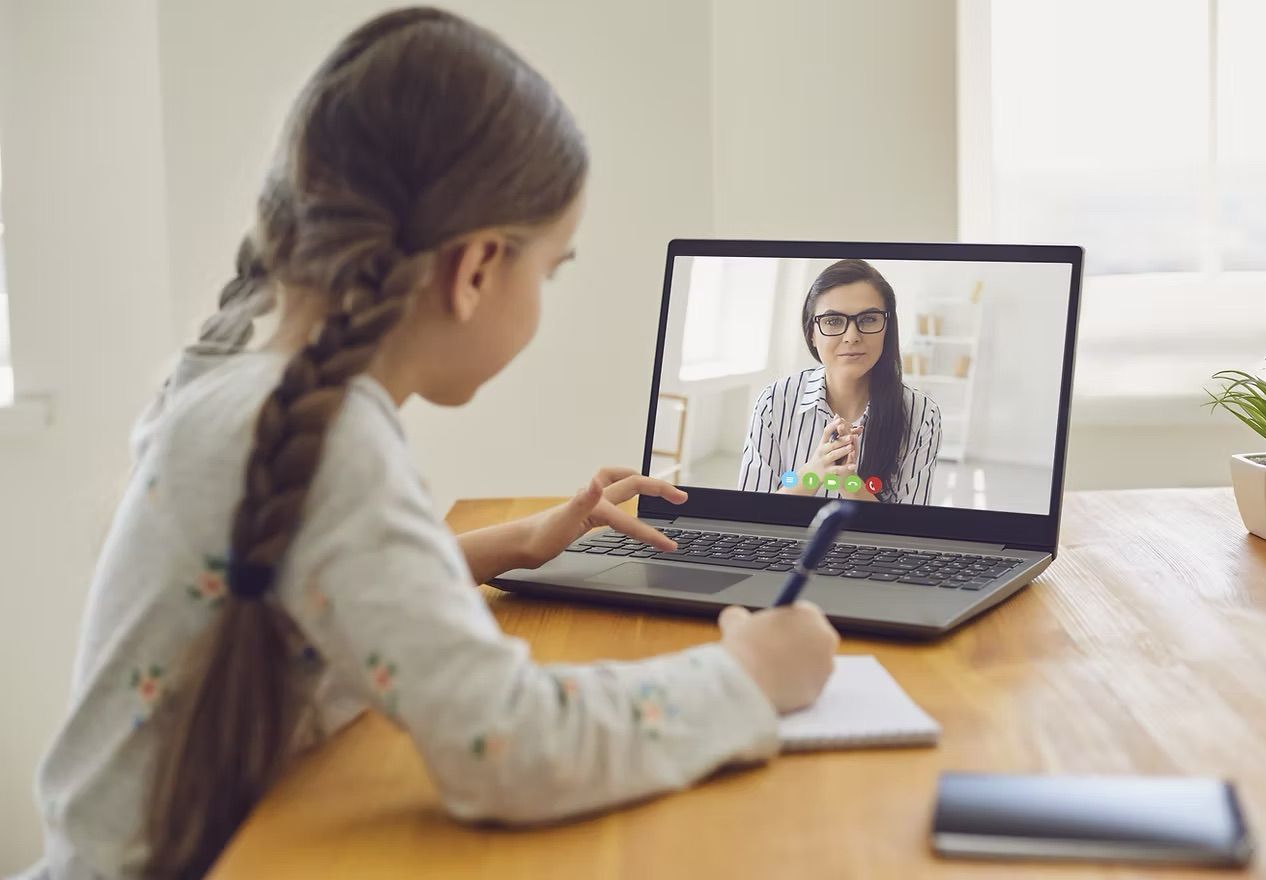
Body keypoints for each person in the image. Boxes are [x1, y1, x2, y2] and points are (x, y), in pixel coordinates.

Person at [22, 9, 838, 879]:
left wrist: (516, 544)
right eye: (550, 269)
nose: (544, 295)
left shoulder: (228, 372)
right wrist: (746, 676)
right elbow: (512, 747)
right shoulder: (335, 439)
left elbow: (328, 586)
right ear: (477, 268)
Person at [738, 259, 941, 504]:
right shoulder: (774, 401)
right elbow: (752, 515)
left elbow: (909, 535)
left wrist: (849, 483)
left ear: (887, 328)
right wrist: (814, 472)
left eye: (868, 319)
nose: (852, 336)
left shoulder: (921, 413)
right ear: (812, 333)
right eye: (833, 321)